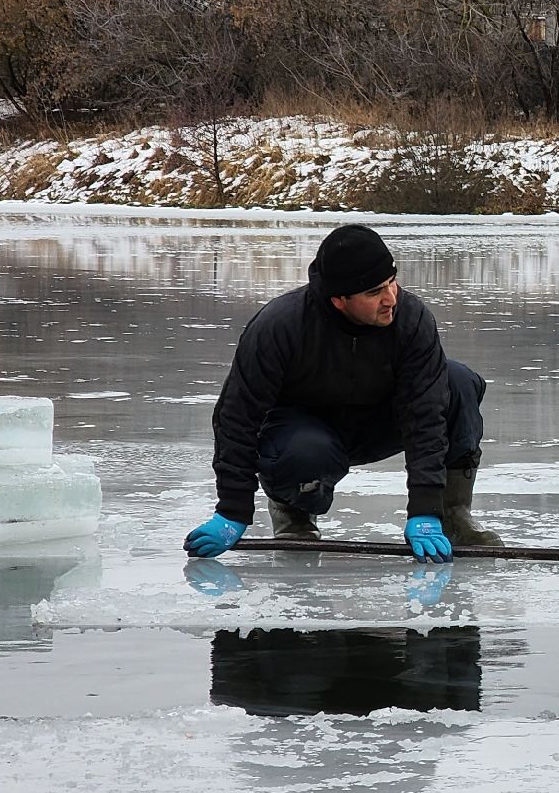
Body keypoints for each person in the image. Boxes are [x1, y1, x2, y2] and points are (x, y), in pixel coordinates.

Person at [183, 225, 502, 562]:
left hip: (378, 423)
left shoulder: (412, 319)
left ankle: (452, 513)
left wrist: (426, 508)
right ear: (339, 300)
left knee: (457, 382)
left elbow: (426, 414)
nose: (391, 298)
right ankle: (294, 513)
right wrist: (232, 510)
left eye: (392, 282)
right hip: (302, 435)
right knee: (306, 450)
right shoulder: (279, 326)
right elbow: (237, 418)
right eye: (374, 292)